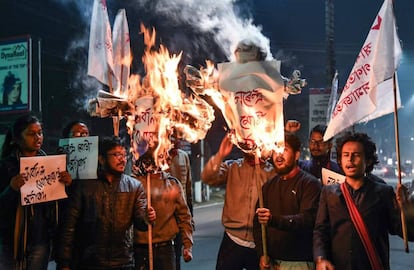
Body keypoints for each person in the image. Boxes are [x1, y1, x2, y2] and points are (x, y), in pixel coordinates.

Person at [313, 132, 414, 270]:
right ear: (340, 160)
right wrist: (321, 258)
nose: (350, 160)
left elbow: (403, 231)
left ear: (368, 161)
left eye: (356, 155)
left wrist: (406, 210)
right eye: (346, 155)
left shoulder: (383, 193)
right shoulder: (329, 192)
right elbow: (321, 230)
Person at [56, 136, 156, 270]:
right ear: (101, 159)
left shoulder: (134, 186)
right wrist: (64, 262)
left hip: (123, 262)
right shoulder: (85, 186)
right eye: (116, 154)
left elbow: (141, 223)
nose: (122, 159)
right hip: (90, 262)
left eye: (124, 155)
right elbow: (69, 226)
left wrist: (147, 217)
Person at [0, 114, 72, 269]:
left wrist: (66, 186)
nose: (38, 137)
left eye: (40, 132)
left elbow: (59, 205)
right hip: (11, 242)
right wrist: (11, 189)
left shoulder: (50, 165)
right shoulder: (6, 167)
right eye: (31, 134)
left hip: (41, 240)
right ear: (17, 139)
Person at [201, 134, 276, 270]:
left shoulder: (272, 173)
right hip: (232, 240)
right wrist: (220, 154)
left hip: (260, 244)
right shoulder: (232, 167)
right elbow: (207, 177)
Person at [254, 132, 322, 270]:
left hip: (298, 263)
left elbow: (307, 219)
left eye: (284, 149)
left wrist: (274, 219)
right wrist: (262, 253)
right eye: (275, 150)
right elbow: (257, 223)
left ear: (297, 155)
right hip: (272, 262)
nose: (278, 155)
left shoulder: (310, 184)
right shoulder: (268, 186)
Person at [133, 151, 193, 270]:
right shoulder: (134, 183)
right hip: (141, 249)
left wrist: (187, 245)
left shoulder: (172, 183)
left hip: (166, 249)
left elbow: (184, 217)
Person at [167, 139, 194, 270]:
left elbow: (188, 188)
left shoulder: (184, 156)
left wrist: (191, 216)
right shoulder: (158, 157)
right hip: (164, 217)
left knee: (177, 256)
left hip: (181, 215)